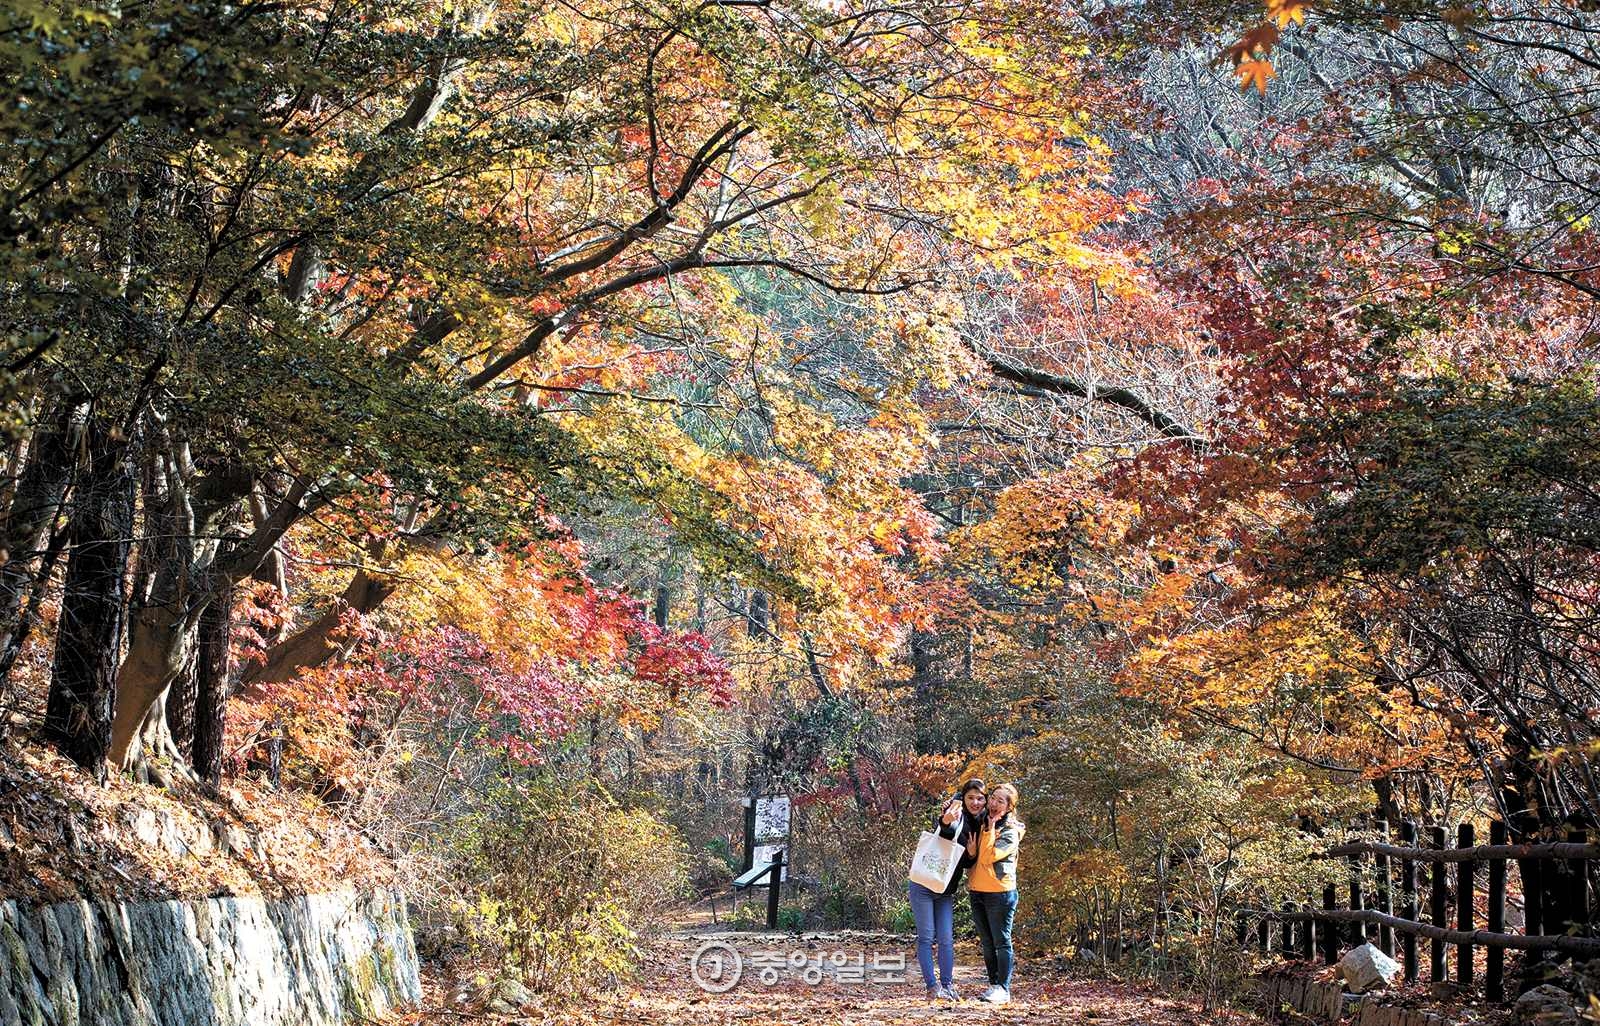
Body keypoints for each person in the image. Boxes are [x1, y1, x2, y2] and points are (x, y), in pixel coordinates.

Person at [909, 778, 985, 1001]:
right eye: (971, 797)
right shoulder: (956, 811)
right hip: (923, 884)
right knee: (926, 937)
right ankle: (932, 987)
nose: (975, 802)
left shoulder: (980, 824)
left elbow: (965, 863)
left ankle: (948, 985)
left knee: (946, 939)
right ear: (964, 797)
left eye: (980, 798)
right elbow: (945, 830)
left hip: (945, 888)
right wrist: (945, 820)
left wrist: (971, 854)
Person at [966, 781, 1024, 1005]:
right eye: (993, 798)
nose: (993, 803)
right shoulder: (981, 822)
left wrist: (990, 830)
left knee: (1001, 942)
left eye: (1001, 801)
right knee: (987, 943)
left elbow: (990, 857)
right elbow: (965, 803)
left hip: (1000, 893)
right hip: (977, 891)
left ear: (1009, 807)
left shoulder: (1011, 831)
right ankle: (993, 985)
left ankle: (1004, 988)